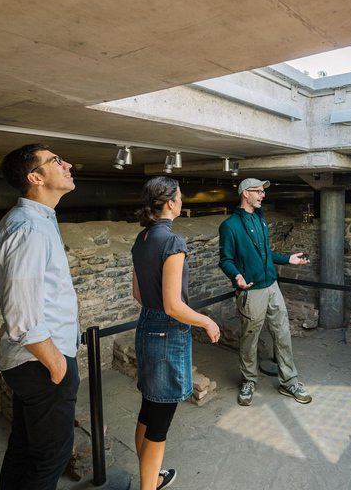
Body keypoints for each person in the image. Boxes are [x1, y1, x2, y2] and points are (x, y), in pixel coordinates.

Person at [0, 143, 80, 490]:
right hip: (41, 363)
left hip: (38, 361)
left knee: (25, 450)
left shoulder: (35, 220)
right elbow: (22, 313)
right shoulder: (28, 228)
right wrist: (57, 365)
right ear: (35, 177)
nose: (67, 163)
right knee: (50, 459)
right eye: (56, 161)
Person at [131, 176, 220, 490]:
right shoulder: (173, 242)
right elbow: (173, 306)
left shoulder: (141, 240)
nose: (182, 201)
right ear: (170, 203)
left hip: (145, 328)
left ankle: (151, 478)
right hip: (167, 335)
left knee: (148, 408)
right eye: (180, 196)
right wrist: (207, 322)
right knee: (160, 423)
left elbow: (139, 295)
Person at [218, 178, 311, 406]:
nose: (262, 195)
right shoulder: (230, 226)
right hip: (252, 292)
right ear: (245, 194)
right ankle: (249, 380)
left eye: (263, 192)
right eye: (258, 192)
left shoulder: (260, 221)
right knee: (250, 337)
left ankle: (289, 382)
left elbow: (265, 254)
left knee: (283, 333)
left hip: (272, 287)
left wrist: (288, 259)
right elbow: (225, 260)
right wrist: (237, 276)